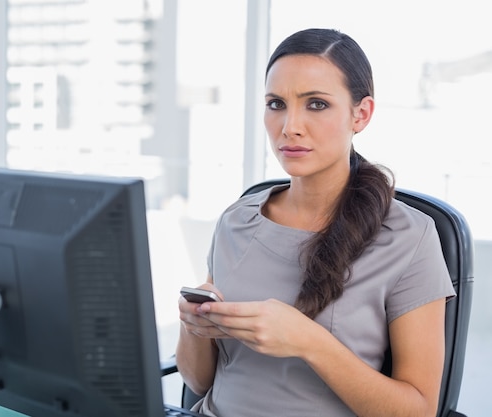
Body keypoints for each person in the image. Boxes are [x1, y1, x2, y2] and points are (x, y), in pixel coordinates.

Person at [176, 28, 456, 417]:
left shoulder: (410, 237)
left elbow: (419, 410)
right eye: (276, 104)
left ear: (361, 114)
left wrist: (309, 342)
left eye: (317, 104)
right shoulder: (235, 221)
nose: (290, 126)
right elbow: (198, 382)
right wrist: (193, 326)